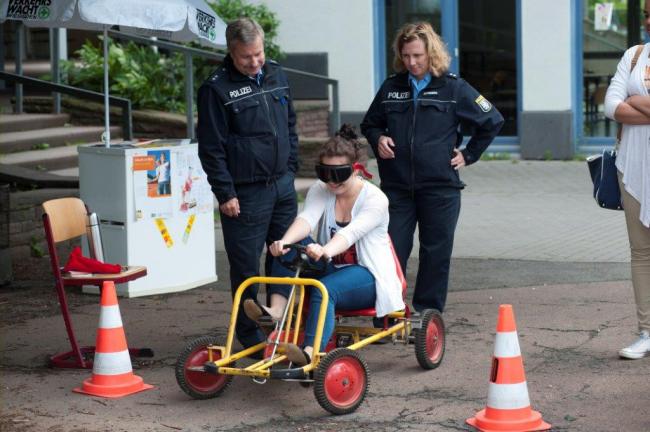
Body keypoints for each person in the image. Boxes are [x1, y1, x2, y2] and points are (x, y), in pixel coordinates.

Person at [361, 22, 503, 315]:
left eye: (418, 56)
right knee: (390, 251)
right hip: (397, 188)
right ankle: (390, 310)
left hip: (440, 188)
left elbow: (492, 120)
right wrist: (379, 137)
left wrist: (469, 155)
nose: (412, 63)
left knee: (435, 254)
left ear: (431, 53)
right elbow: (370, 123)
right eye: (407, 56)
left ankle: (428, 315)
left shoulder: (454, 87)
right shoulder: (391, 86)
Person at [243, 125, 405, 365]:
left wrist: (325, 249)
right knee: (292, 246)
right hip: (331, 266)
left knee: (324, 289)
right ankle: (276, 312)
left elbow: (350, 234)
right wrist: (285, 241)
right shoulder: (322, 189)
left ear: (356, 170)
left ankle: (309, 353)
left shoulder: (375, 199)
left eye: (338, 174)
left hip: (369, 275)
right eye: (324, 173)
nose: (331, 181)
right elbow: (307, 218)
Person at [197, 17, 299, 349]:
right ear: (231, 51)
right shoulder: (216, 89)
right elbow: (211, 148)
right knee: (245, 267)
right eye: (247, 57)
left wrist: (291, 168)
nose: (255, 62)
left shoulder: (276, 73)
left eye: (259, 54)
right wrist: (224, 192)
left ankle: (275, 318)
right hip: (244, 193)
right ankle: (249, 335)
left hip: (281, 185)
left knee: (284, 253)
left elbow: (291, 124)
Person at [604, 1, 650, 359]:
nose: (649, 22)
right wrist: (630, 100)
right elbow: (610, 105)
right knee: (641, 252)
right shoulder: (633, 55)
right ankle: (647, 330)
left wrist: (636, 100)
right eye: (648, 15)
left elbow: (626, 104)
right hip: (633, 167)